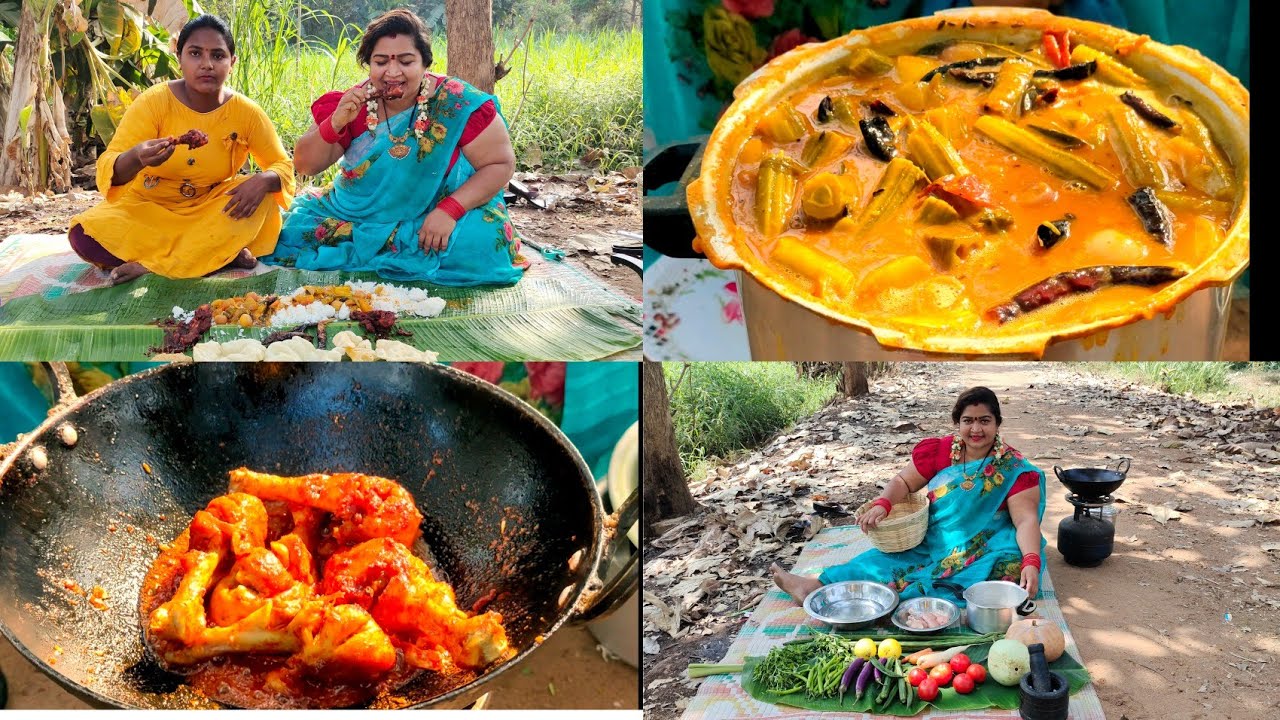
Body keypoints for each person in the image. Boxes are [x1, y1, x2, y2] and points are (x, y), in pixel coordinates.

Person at [263, 9, 526, 285]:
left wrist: (449, 211)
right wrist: (336, 122)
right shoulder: (355, 103)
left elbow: (500, 164)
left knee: (482, 242)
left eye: (405, 61)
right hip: (357, 215)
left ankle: (391, 247)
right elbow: (305, 165)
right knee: (292, 232)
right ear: (369, 65)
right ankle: (394, 248)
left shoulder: (456, 104)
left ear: (425, 63)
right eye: (380, 62)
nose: (392, 72)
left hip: (435, 214)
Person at [68, 14, 295, 286]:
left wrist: (263, 179)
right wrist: (137, 157)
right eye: (195, 53)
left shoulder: (246, 113)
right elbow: (110, 167)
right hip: (148, 208)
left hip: (208, 208)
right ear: (179, 58)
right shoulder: (154, 102)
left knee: (265, 198)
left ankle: (155, 264)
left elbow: (282, 166)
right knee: (84, 234)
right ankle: (214, 255)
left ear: (232, 63)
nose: (207, 64)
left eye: (218, 56)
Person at [770, 386, 1047, 604]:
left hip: (986, 540)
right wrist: (884, 503)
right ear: (957, 423)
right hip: (934, 536)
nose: (976, 430)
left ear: (998, 423)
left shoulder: (1013, 468)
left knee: (1008, 566)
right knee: (886, 561)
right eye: (968, 421)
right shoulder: (940, 451)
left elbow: (1025, 521)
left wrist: (1031, 560)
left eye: (985, 421)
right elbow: (903, 480)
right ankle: (812, 586)